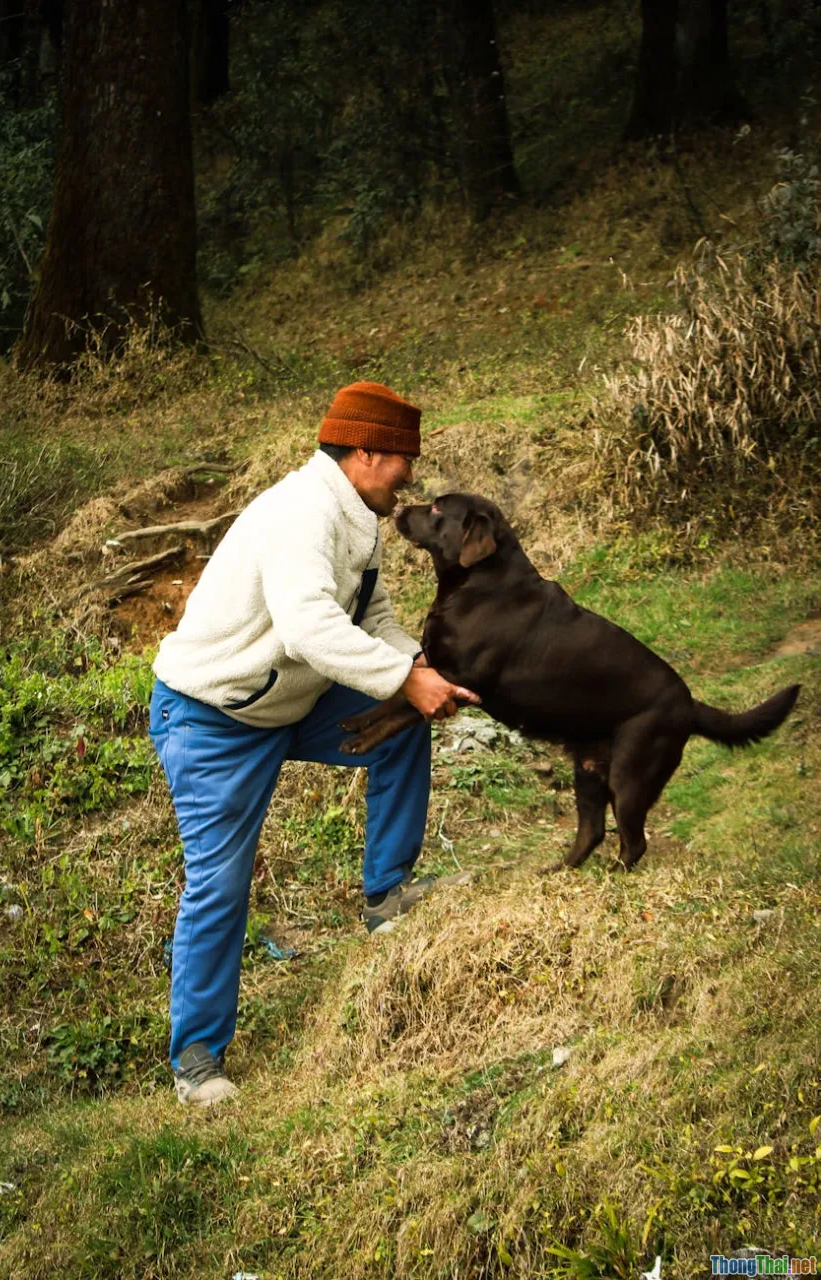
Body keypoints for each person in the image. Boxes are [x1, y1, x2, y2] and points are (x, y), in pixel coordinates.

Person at [149, 381, 479, 1106]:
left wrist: (415, 673)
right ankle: (197, 1058)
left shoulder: (356, 511)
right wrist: (399, 675)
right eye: (402, 461)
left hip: (287, 700)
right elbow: (307, 629)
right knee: (220, 883)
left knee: (399, 722)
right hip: (214, 719)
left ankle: (386, 897)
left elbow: (374, 613)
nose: (410, 476)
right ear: (364, 452)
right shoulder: (303, 513)